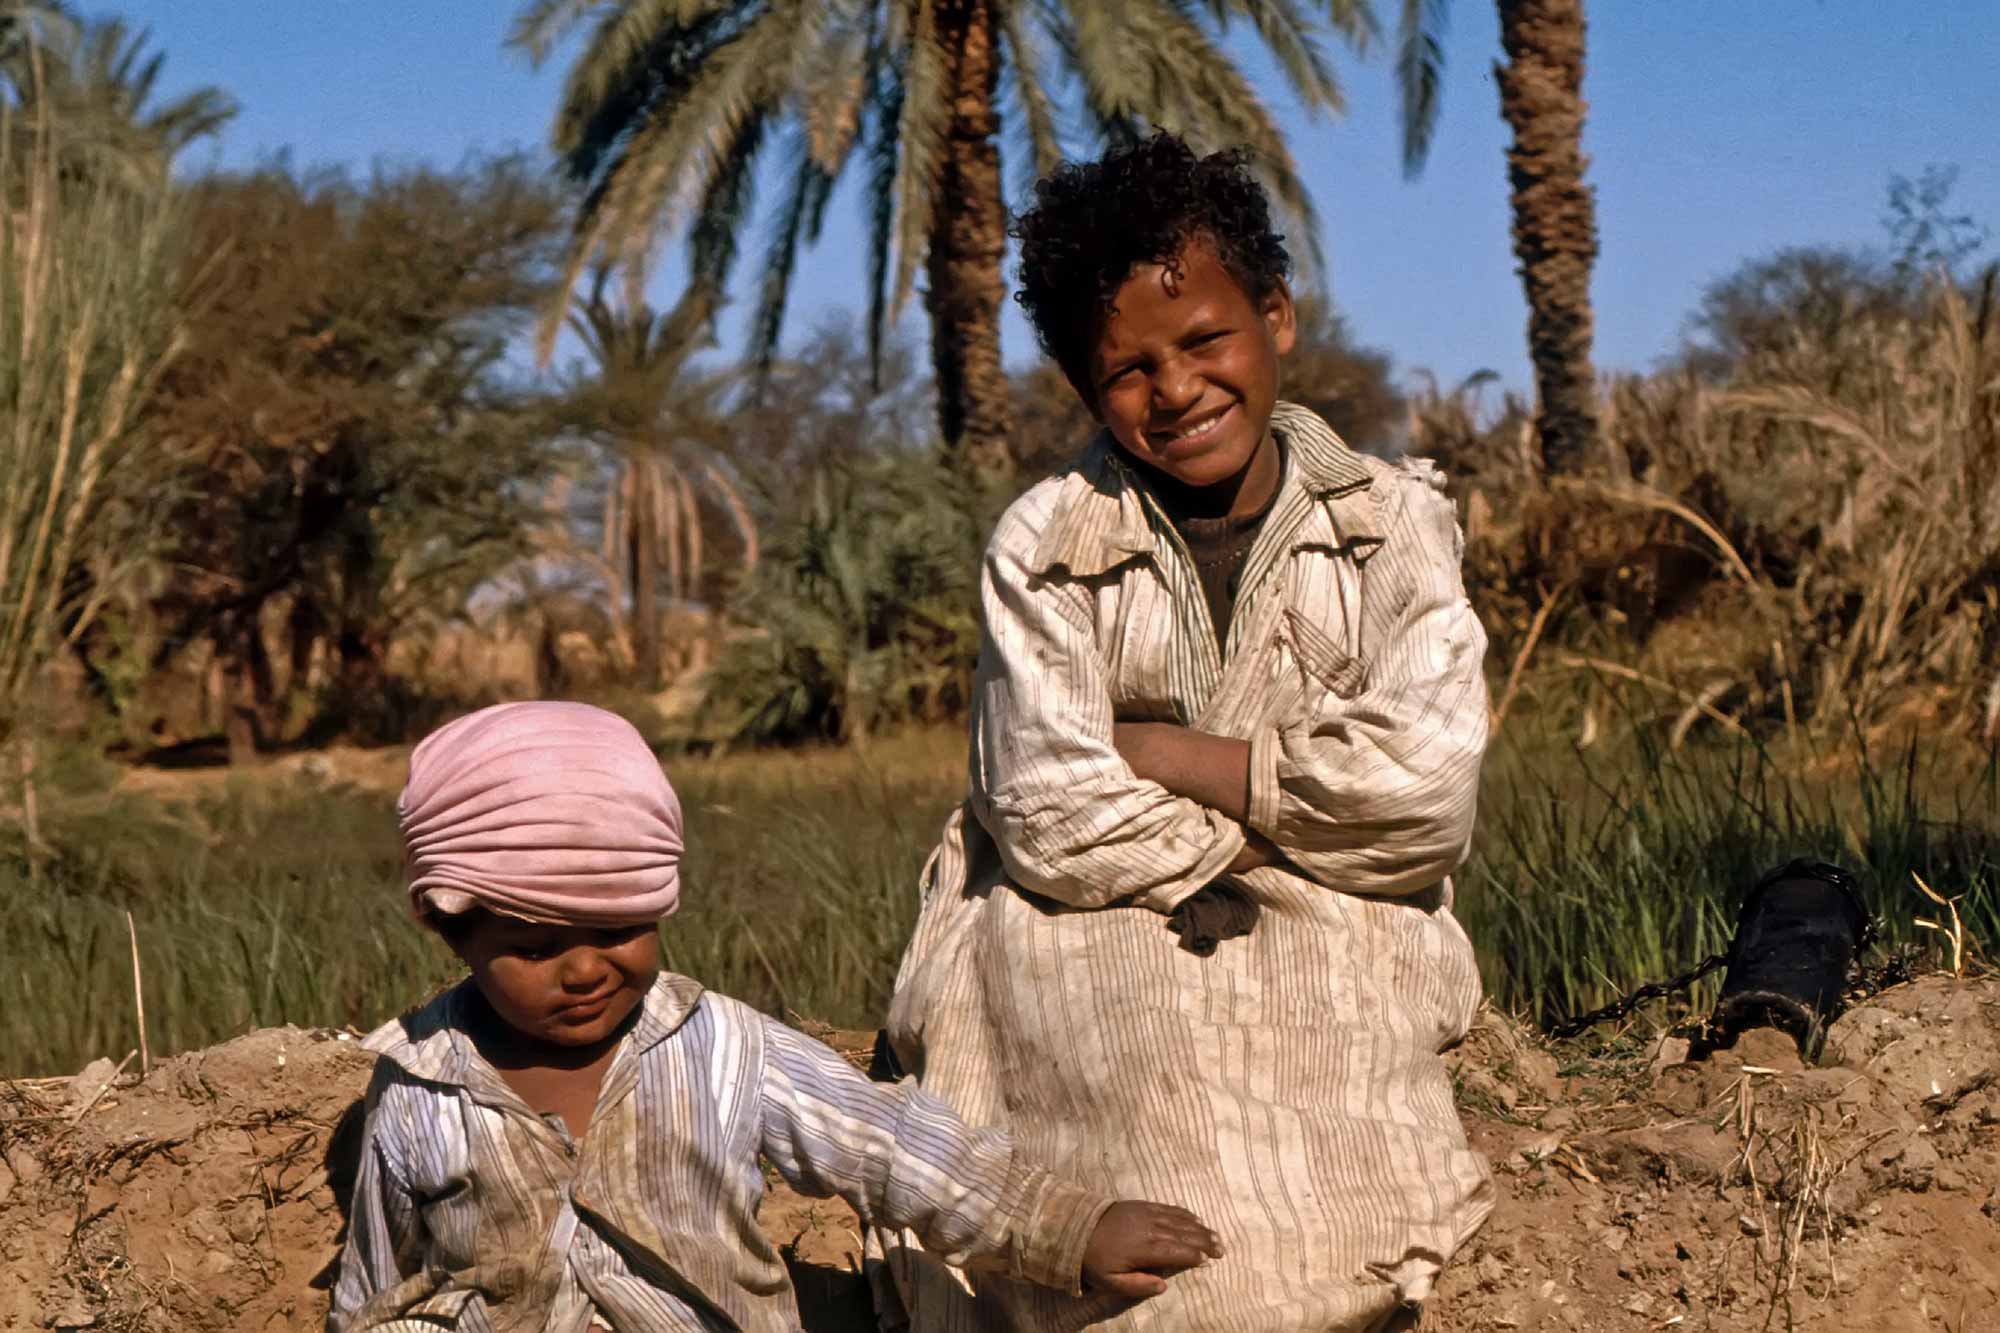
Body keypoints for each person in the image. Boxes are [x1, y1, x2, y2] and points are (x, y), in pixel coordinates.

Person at [874, 133, 1493, 1332]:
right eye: (1127, 369)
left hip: (1336, 914)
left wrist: (1170, 754)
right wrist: (1281, 825)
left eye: (1203, 340)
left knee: (1329, 1124)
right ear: (1082, 386)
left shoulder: (1393, 525)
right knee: (1089, 1113)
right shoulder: (1047, 543)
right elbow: (1051, 813)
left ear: (1275, 318)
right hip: (1078, 918)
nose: (1174, 389)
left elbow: (1420, 796)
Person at [326, 701, 1222, 1331]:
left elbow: (890, 1145)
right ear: (451, 931)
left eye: (621, 928)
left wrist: (1061, 1226)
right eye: (536, 944)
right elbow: (385, 1285)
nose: (588, 968)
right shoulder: (414, 1086)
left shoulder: (725, 1047)